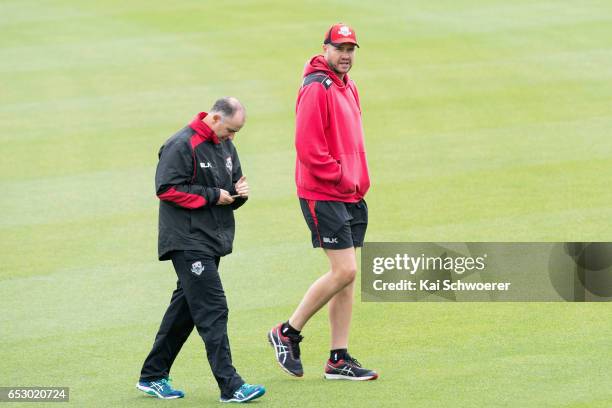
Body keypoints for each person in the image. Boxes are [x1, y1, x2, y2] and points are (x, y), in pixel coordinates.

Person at [137, 97, 266, 403]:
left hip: (212, 239)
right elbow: (166, 188)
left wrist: (240, 194)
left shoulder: (226, 146)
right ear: (215, 118)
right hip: (186, 240)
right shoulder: (181, 144)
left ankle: (152, 375)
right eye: (230, 130)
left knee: (185, 311)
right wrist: (212, 195)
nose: (233, 137)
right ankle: (231, 386)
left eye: (237, 132)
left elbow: (231, 186)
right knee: (213, 308)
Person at [268, 24, 378, 381]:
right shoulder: (317, 87)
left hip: (350, 193)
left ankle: (337, 358)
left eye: (351, 49)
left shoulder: (349, 86)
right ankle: (287, 332)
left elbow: (352, 140)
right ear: (325, 48)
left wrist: (360, 179)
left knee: (345, 279)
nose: (345, 55)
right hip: (323, 192)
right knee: (345, 271)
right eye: (339, 48)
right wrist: (343, 177)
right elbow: (309, 148)